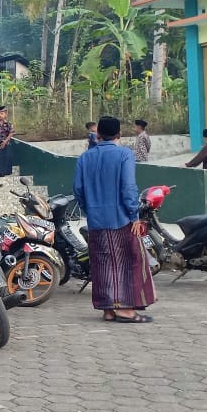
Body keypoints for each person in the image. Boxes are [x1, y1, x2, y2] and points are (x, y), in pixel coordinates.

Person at [74, 116, 156, 324]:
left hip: (96, 221)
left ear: (98, 134)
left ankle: (108, 310)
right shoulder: (124, 155)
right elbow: (128, 188)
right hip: (121, 219)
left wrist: (90, 209)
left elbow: (78, 190)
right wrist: (134, 215)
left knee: (102, 265)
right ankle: (126, 310)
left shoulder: (85, 158)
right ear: (119, 134)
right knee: (128, 263)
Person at [0, 105, 15, 177]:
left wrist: (5, 141)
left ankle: (6, 172)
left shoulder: (9, 123)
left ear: (5, 114)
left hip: (6, 143)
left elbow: (11, 133)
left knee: (7, 157)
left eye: (2, 114)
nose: (0, 115)